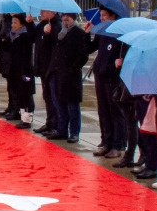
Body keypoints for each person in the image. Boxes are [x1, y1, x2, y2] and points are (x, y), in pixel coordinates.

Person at [47, 12, 93, 143]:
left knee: (72, 105)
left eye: (68, 16)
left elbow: (84, 55)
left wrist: (72, 68)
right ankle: (62, 130)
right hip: (58, 73)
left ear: (73, 18)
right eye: (63, 16)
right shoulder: (60, 32)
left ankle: (74, 132)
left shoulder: (78, 33)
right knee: (60, 104)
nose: (65, 18)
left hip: (71, 75)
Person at [89, 11, 125, 156]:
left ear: (113, 17)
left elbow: (124, 53)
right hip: (100, 75)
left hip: (113, 77)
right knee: (103, 110)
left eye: (105, 16)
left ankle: (118, 144)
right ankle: (106, 140)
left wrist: (119, 62)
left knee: (115, 112)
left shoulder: (120, 34)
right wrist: (87, 33)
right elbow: (90, 48)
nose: (102, 18)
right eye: (101, 15)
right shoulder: (102, 32)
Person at [0, 13, 37, 129]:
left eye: (15, 22)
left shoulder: (25, 36)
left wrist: (30, 23)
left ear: (21, 24)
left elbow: (25, 54)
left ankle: (27, 119)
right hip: (14, 70)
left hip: (24, 71)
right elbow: (7, 50)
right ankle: (22, 117)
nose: (12, 25)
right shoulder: (12, 36)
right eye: (12, 22)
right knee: (18, 94)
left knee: (26, 95)